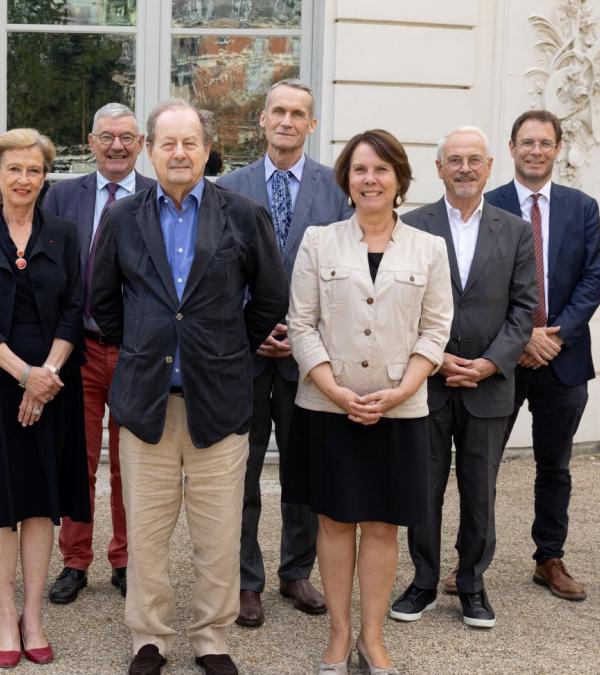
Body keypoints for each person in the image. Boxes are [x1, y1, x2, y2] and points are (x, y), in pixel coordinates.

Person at [90, 98, 289, 675]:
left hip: (219, 399)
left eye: (189, 143)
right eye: (168, 143)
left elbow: (271, 297)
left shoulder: (244, 214)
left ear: (207, 149)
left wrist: (228, 348)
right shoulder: (124, 218)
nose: (178, 153)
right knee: (147, 534)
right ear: (150, 151)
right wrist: (143, 344)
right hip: (147, 401)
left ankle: (210, 636)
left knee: (217, 532)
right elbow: (103, 300)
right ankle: (148, 637)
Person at [284, 129, 452, 674]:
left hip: (399, 410)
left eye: (381, 169)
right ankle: (338, 635)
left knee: (382, 525)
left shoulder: (429, 248)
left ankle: (373, 639)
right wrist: (334, 388)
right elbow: (302, 324)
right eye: (360, 170)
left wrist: (403, 390)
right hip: (328, 408)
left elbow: (436, 330)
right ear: (346, 180)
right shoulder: (318, 240)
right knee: (334, 522)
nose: (370, 179)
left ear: (400, 179)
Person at [217, 78, 353, 627]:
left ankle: (296, 571)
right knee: (240, 473)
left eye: (299, 113)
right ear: (263, 120)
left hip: (310, 358)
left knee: (304, 473)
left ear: (312, 124)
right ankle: (246, 580)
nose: (287, 122)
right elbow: (218, 271)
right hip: (244, 354)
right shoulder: (228, 186)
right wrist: (256, 328)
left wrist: (299, 331)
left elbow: (342, 275)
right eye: (278, 111)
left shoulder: (336, 188)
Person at [389, 126, 538, 630]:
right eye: (455, 159)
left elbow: (524, 309)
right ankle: (424, 582)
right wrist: (436, 359)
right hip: (426, 381)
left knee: (480, 491)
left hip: (489, 383)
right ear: (439, 168)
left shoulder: (515, 230)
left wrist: (492, 362)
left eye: (474, 159)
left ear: (490, 166)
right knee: (422, 486)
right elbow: (401, 306)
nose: (465, 168)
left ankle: (472, 583)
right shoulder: (412, 226)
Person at [0, 128, 89, 667]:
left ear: (44, 176)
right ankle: (5, 618)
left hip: (55, 386)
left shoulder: (64, 233)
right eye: (14, 169)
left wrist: (47, 374)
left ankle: (34, 615)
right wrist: (23, 376)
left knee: (39, 507)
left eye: (34, 170)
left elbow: (74, 310)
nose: (24, 179)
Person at [476, 110, 600, 601]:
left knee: (556, 464)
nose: (535, 150)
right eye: (526, 142)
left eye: (545, 142)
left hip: (564, 358)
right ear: (511, 148)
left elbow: (593, 277)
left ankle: (549, 557)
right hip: (502, 359)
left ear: (557, 148)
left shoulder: (582, 207)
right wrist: (521, 338)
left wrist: (556, 334)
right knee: (481, 462)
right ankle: (473, 560)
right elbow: (480, 284)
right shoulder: (488, 205)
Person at [41, 103, 155, 605]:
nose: (116, 146)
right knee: (77, 459)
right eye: (107, 136)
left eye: (127, 137)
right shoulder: (62, 195)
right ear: (90, 142)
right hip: (78, 348)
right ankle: (74, 560)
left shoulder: (157, 196)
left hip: (137, 352)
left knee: (132, 462)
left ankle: (128, 558)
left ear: (141, 145)